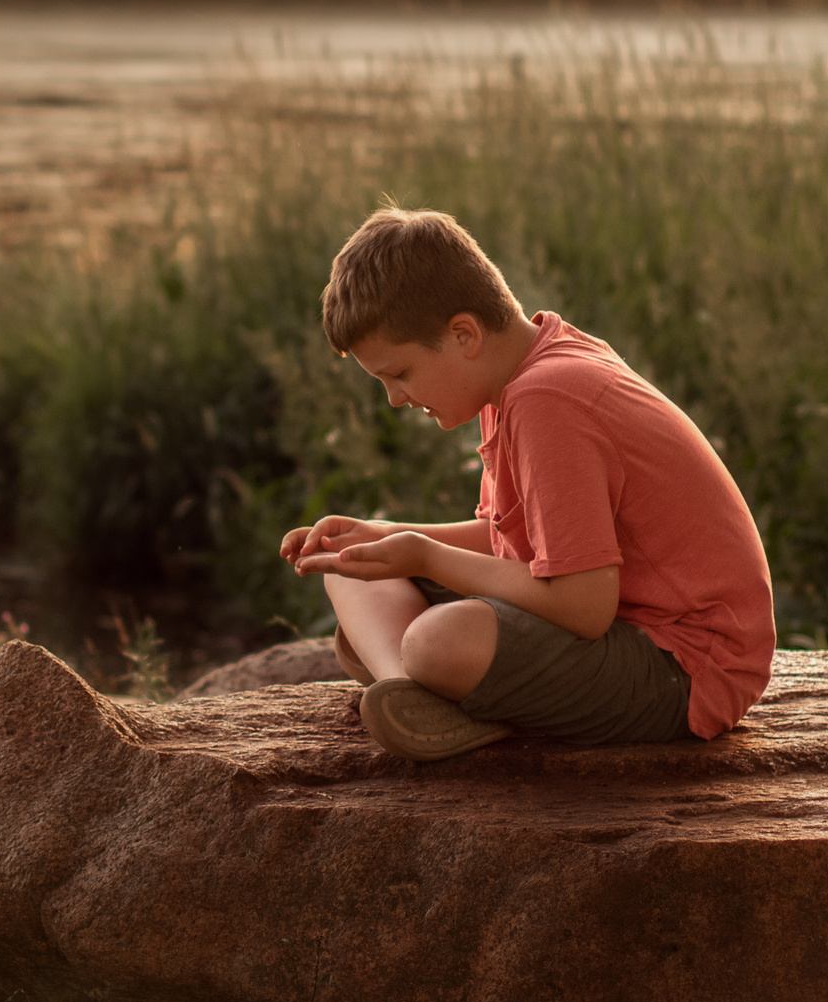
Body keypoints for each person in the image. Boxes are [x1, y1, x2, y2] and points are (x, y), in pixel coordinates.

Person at [279, 205, 774, 761]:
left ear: (463, 334)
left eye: (399, 374)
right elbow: (507, 541)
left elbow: (584, 605)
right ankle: (409, 692)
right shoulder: (515, 375)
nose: (395, 398)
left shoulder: (548, 399)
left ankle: (425, 679)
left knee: (436, 641)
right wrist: (385, 534)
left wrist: (424, 557)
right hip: (612, 624)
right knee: (353, 570)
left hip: (682, 664)